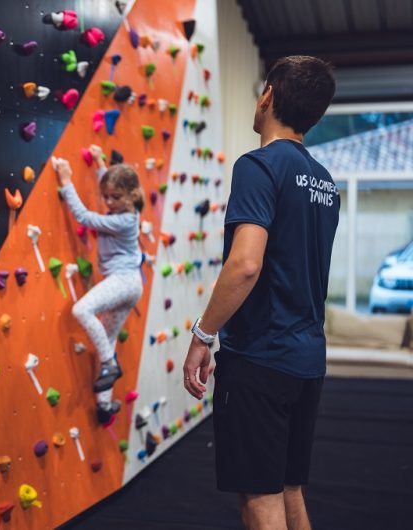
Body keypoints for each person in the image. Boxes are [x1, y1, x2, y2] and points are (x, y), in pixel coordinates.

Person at [182, 55, 337, 530]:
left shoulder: (259, 166)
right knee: (290, 489)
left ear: (268, 95)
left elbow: (246, 264)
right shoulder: (325, 184)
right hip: (308, 361)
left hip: (261, 360)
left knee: (259, 498)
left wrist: (202, 334)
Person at [54, 147, 144, 424]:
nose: (108, 201)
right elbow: (113, 184)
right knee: (108, 336)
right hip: (127, 287)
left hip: (124, 282)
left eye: (115, 197)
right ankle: (105, 404)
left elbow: (85, 218)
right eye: (105, 196)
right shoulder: (126, 208)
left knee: (82, 310)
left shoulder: (125, 220)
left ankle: (109, 363)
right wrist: (100, 164)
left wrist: (66, 182)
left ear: (132, 196)